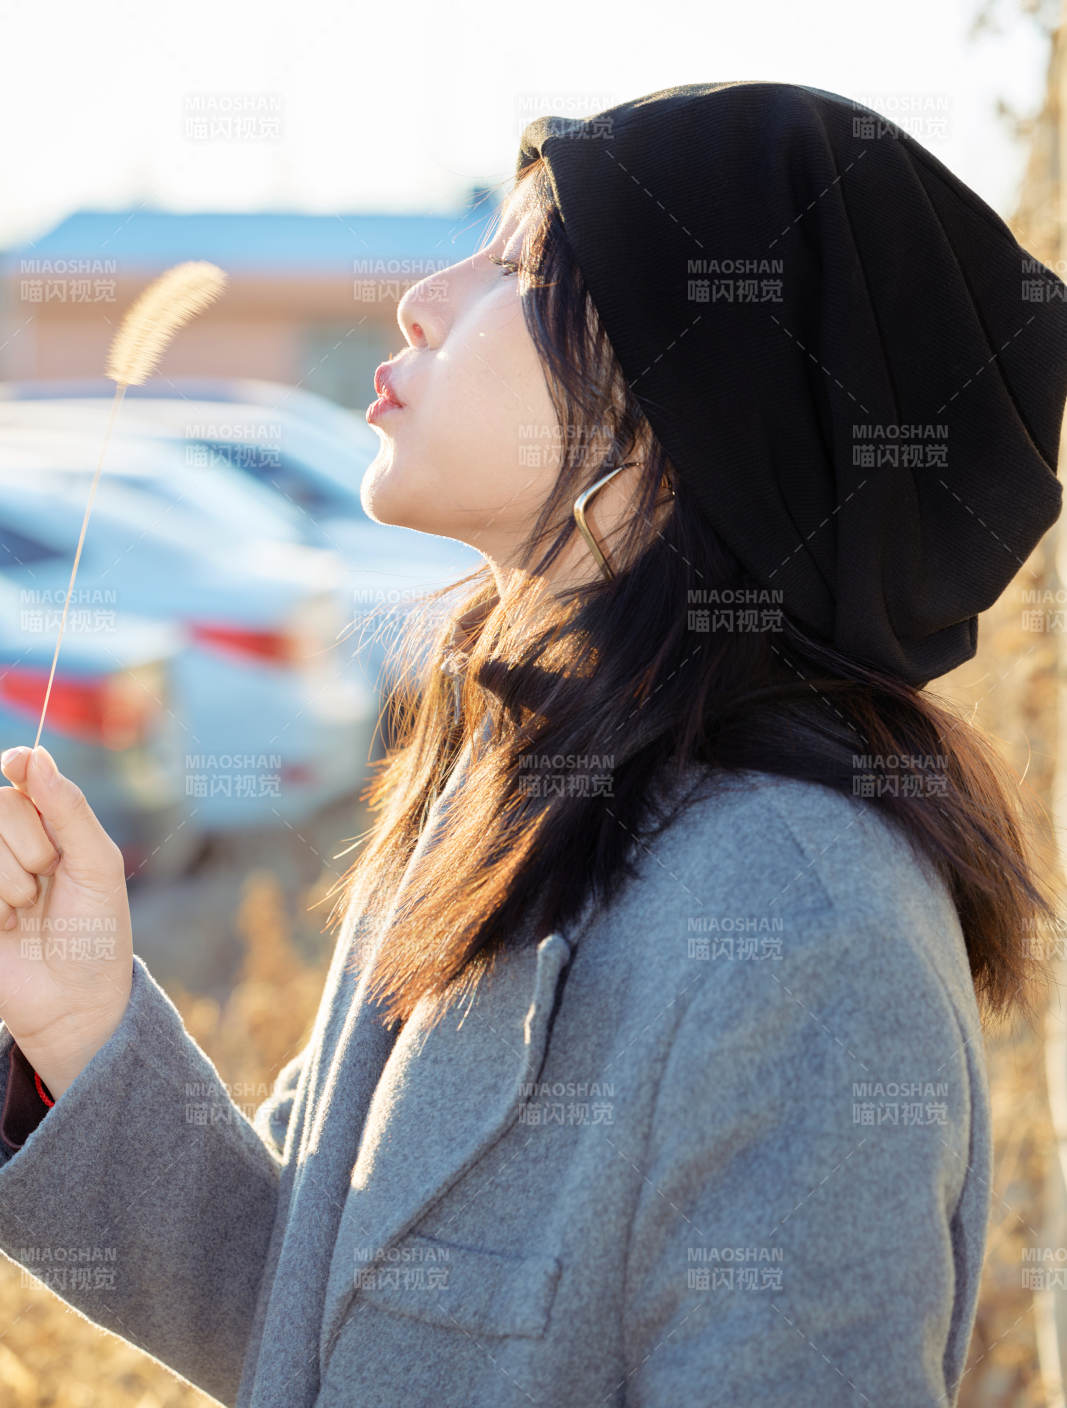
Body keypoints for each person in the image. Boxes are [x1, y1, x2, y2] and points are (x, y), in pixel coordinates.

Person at [0, 79, 1063, 1408]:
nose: (421, 297)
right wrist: (79, 1020)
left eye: (518, 263)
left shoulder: (806, 929)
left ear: (684, 411)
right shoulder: (491, 790)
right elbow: (310, 1320)